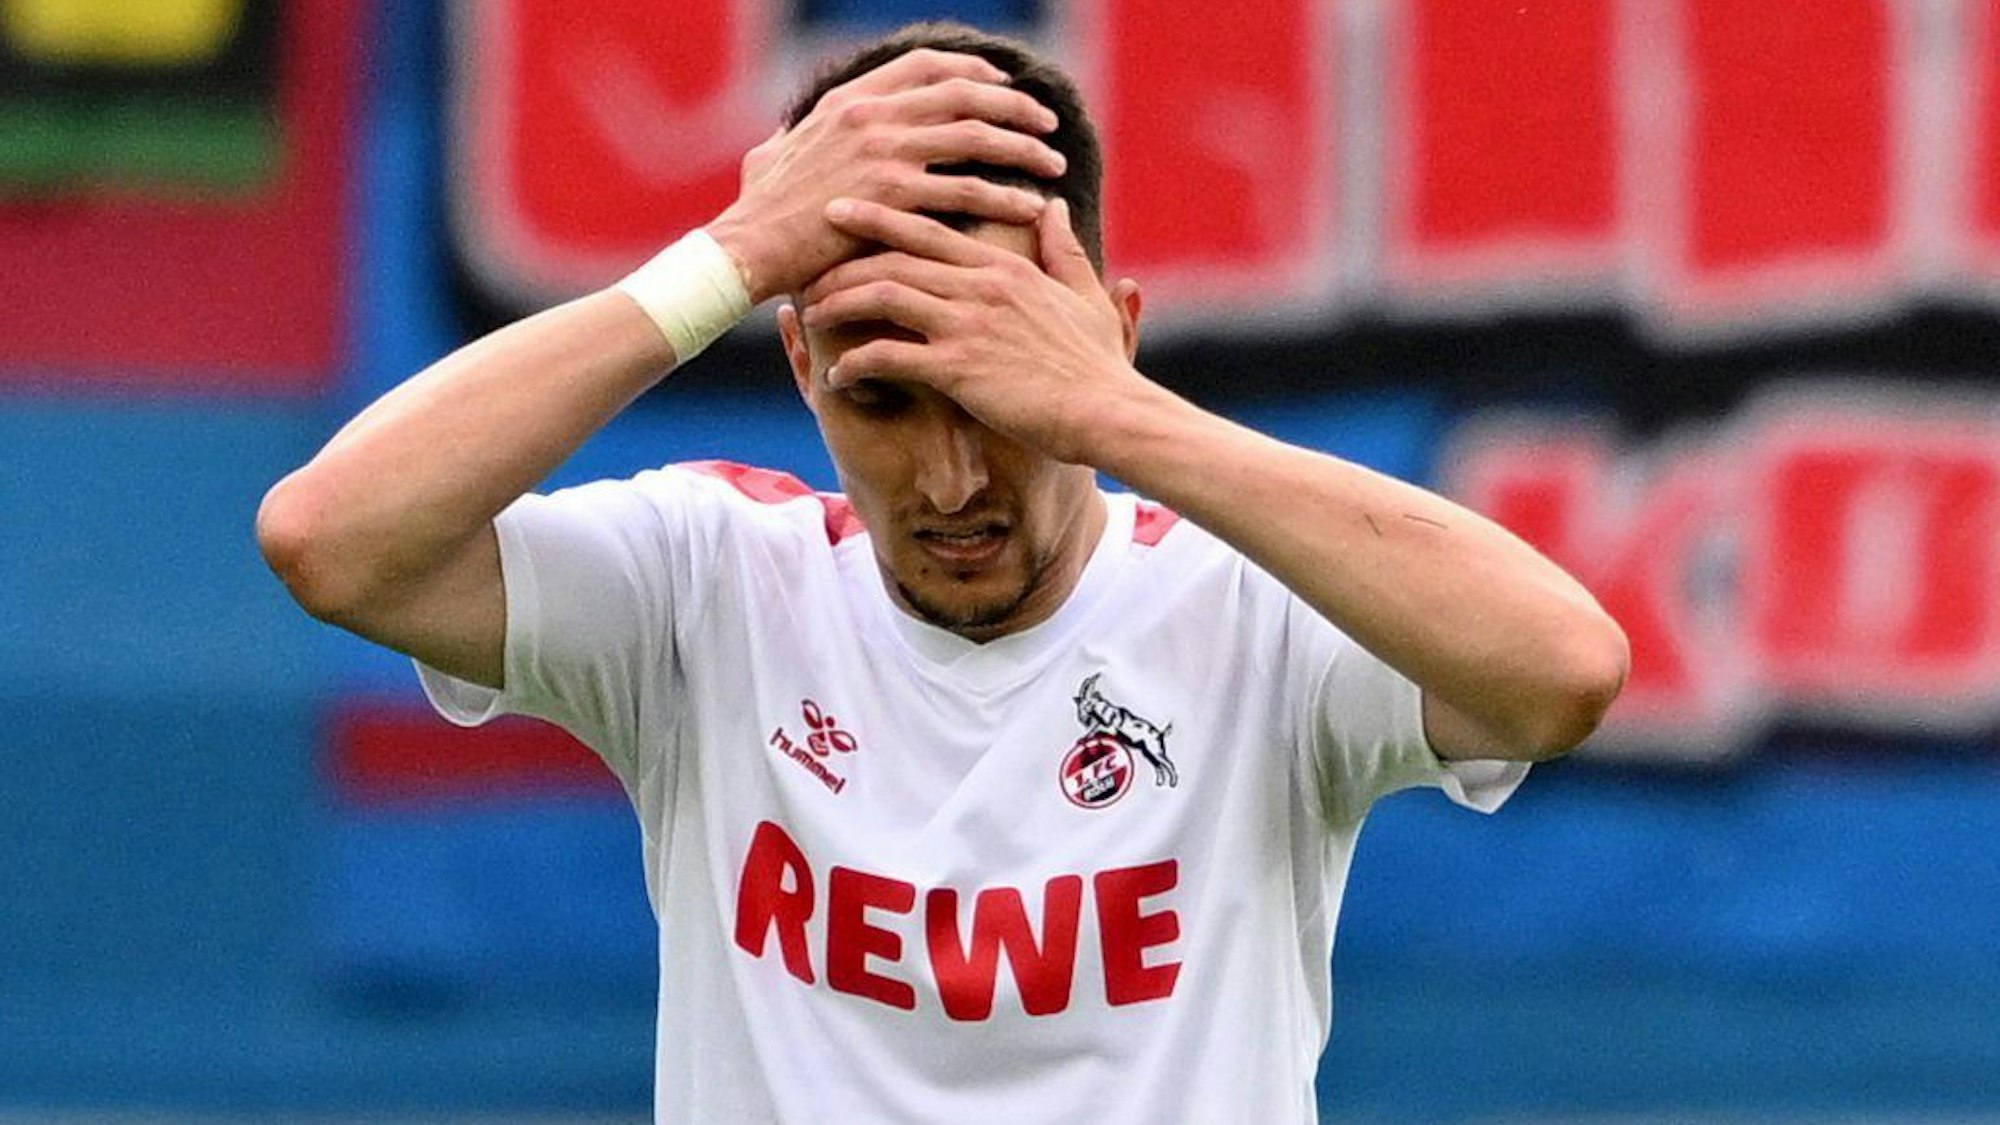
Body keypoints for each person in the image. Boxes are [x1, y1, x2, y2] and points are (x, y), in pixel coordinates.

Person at [258, 21, 1629, 1125]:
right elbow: (332, 537)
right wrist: (728, 259)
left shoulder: (1253, 608)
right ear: (801, 364)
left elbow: (1562, 671)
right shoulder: (707, 584)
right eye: (888, 400)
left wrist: (1116, 415)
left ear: (1111, 337)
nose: (954, 480)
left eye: (1004, 398)